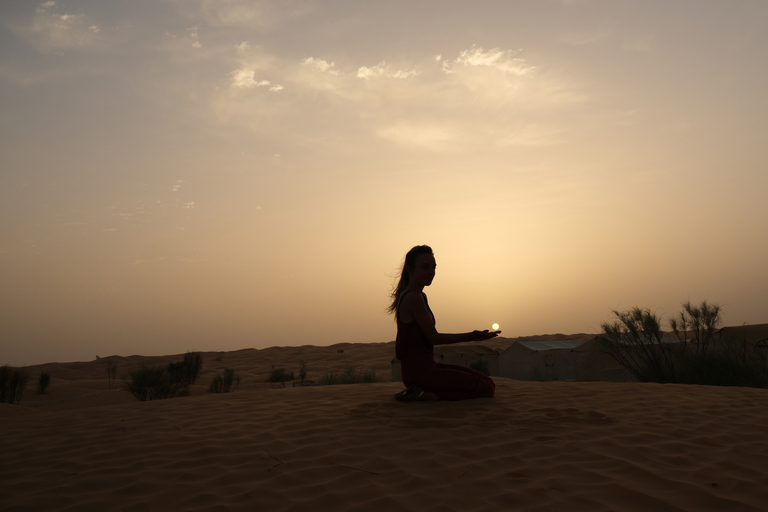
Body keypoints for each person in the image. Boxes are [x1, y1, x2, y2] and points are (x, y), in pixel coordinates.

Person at [388, 245, 498, 401]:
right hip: (420, 372)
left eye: (433, 267)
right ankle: (425, 395)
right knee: (485, 389)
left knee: (488, 383)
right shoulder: (413, 298)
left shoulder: (420, 296)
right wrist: (473, 336)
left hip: (430, 366)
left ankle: (426, 392)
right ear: (410, 269)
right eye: (425, 267)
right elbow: (434, 338)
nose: (431, 272)